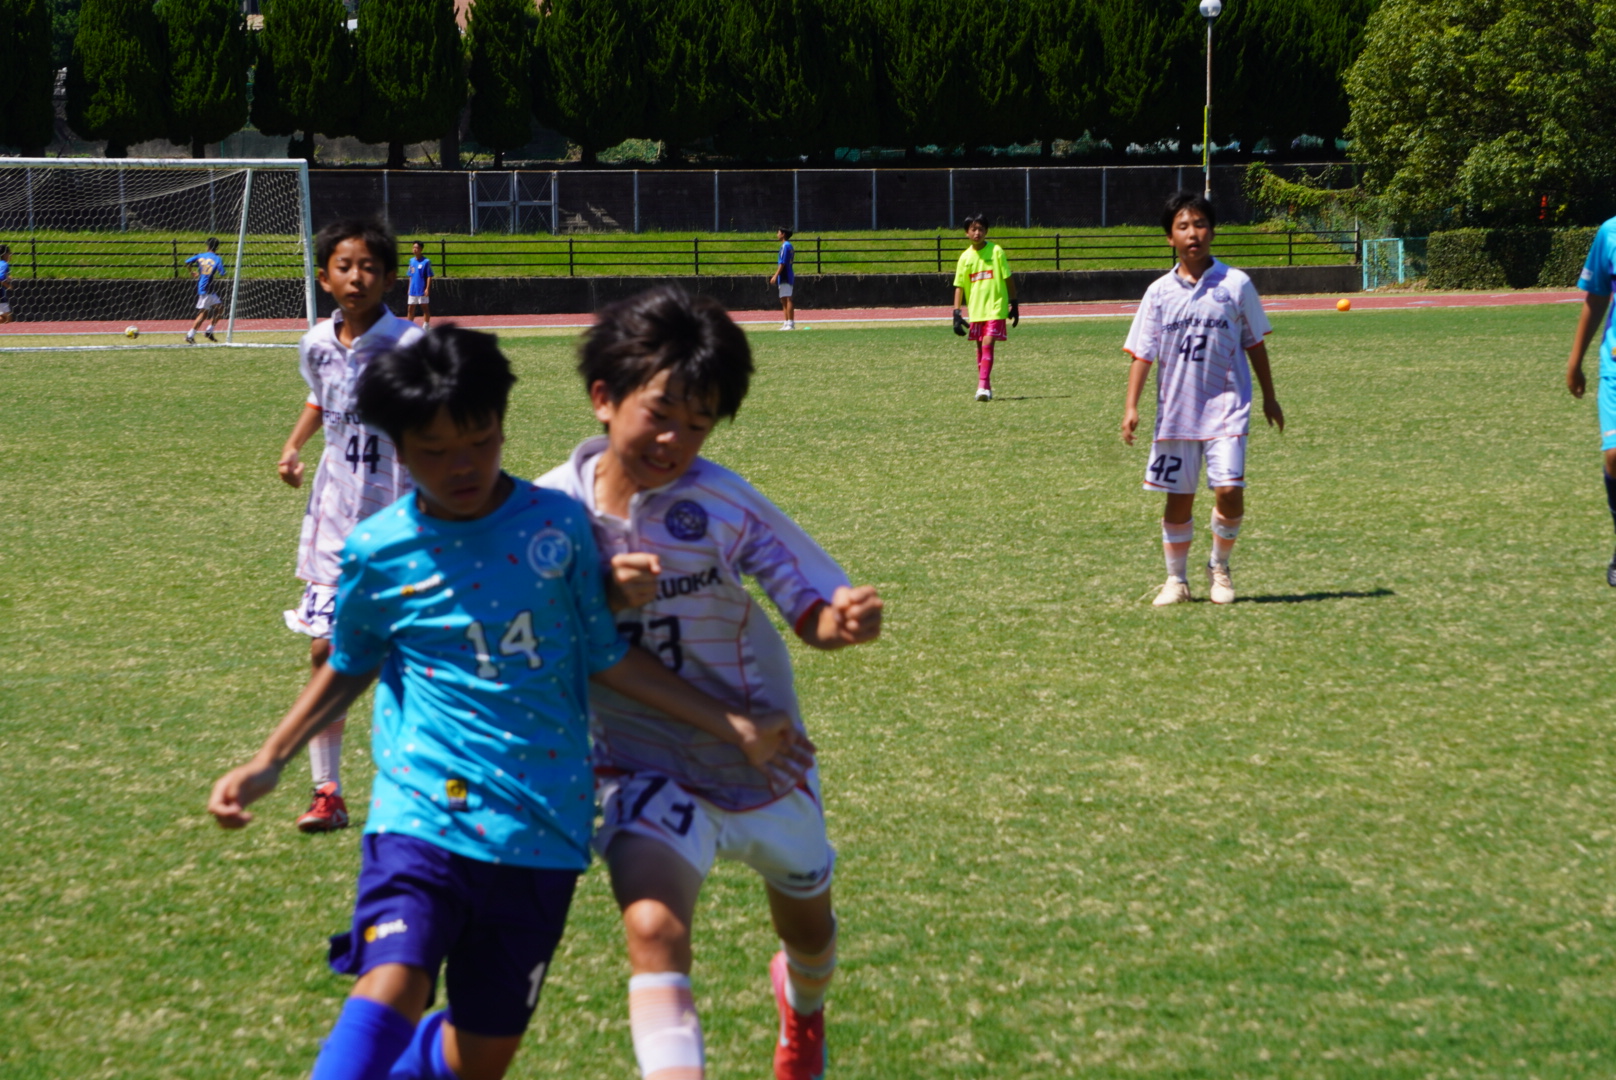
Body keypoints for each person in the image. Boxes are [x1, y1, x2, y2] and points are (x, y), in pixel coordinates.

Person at [209, 327, 808, 1080]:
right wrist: (271, 759)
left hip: (542, 825)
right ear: (399, 448)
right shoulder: (378, 550)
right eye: (434, 450)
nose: (461, 466)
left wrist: (734, 724)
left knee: (480, 1056)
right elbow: (349, 662)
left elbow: (606, 656)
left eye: (480, 441)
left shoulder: (556, 526)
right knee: (395, 976)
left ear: (501, 424)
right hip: (423, 808)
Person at [536, 285, 885, 1080]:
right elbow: (528, 646)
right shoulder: (547, 512)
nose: (674, 440)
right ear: (603, 397)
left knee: (810, 936)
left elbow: (807, 602)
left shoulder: (722, 502)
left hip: (766, 756)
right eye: (659, 413)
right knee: (653, 929)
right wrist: (597, 596)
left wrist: (842, 621)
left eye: (698, 424)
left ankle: (802, 1009)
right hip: (638, 762)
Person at [277, 219, 422, 831]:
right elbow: (322, 396)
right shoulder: (315, 342)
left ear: (389, 279)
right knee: (325, 651)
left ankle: (439, 785)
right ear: (323, 277)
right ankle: (327, 791)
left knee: (419, 657)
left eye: (368, 267)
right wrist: (293, 446)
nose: (356, 277)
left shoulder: (411, 346)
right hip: (336, 518)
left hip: (405, 521)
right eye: (344, 266)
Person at [1121, 191, 1284, 606]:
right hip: (1177, 412)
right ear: (1170, 238)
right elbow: (1143, 352)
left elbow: (1255, 343)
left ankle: (1219, 566)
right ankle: (1176, 581)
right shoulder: (1158, 292)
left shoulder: (1236, 284)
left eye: (1200, 224)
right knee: (1179, 498)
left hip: (1227, 407)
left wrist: (1270, 397)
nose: (1192, 233)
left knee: (1229, 489)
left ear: (1212, 231)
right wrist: (1131, 406)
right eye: (1183, 226)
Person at [1565, 217, 1616, 584]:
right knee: (1614, 454)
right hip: (1615, 364)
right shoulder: (1610, 232)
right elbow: (1597, 297)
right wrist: (1575, 361)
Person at [951, 214, 1019, 402]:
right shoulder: (965, 257)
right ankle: (986, 387)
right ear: (966, 233)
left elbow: (1008, 278)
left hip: (996, 308)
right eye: (973, 229)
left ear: (986, 231)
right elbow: (959, 286)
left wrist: (1014, 303)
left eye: (981, 229)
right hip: (977, 310)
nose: (977, 233)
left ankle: (982, 386)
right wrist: (956, 313)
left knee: (988, 342)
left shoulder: (996, 251)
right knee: (980, 348)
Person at [184, 237, 225, 344]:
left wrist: (192, 272)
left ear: (207, 246)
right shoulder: (217, 258)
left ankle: (209, 331)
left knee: (220, 308)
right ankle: (190, 335)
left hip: (205, 288)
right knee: (203, 314)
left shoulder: (200, 256)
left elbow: (187, 262)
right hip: (207, 288)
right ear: (217, 248)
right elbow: (222, 273)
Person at [769, 227, 796, 330]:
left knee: (788, 298)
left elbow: (783, 263)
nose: (777, 234)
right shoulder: (787, 246)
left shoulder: (786, 246)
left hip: (785, 275)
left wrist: (775, 275)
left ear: (783, 234)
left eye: (778, 233)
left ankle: (790, 323)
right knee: (783, 299)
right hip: (784, 275)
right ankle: (786, 322)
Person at [407, 240, 433, 329]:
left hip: (422, 289)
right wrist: (409, 287)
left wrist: (427, 288)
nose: (414, 249)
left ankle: (426, 325)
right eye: (413, 247)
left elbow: (429, 276)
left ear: (421, 249)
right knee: (410, 308)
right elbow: (410, 275)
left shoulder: (426, 261)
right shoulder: (411, 261)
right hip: (413, 289)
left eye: (417, 248)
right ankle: (409, 326)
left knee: (424, 307)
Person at [0, 244, 12, 324]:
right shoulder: (4, 264)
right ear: (5, 254)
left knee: (5, 318)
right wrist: (8, 286)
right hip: (0, 295)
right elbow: (0, 277)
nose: (11, 255)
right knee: (7, 318)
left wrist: (7, 277)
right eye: (9, 253)